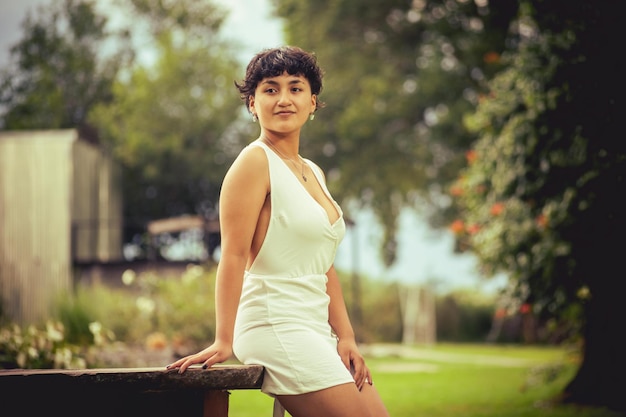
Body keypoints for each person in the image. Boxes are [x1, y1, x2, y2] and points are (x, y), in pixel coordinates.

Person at [166, 46, 389, 417]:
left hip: (315, 328)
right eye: (270, 89)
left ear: (313, 102)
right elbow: (233, 256)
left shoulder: (312, 171)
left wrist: (346, 337)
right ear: (252, 104)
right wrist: (224, 339)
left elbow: (324, 266)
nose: (284, 99)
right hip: (275, 323)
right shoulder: (254, 162)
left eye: (295, 88)